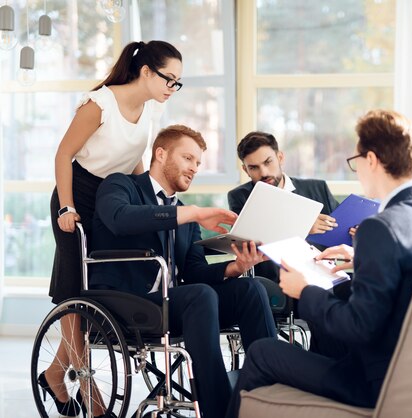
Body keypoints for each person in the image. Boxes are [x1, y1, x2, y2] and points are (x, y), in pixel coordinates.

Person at [225, 109, 412, 417]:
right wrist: (361, 259)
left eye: (355, 161)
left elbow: (358, 327)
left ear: (371, 160)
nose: (356, 170)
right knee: (338, 297)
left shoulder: (381, 227)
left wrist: (305, 290)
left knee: (262, 352)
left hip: (377, 382)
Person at [90, 124, 277, 417]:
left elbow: (195, 272)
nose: (194, 168)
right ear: (161, 154)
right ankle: (218, 411)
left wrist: (236, 267)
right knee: (200, 297)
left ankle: (270, 396)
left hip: (171, 305)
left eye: (198, 163)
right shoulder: (121, 186)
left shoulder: (186, 213)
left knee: (251, 289)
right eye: (188, 158)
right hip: (123, 303)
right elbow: (120, 219)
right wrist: (192, 214)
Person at [42, 40, 183, 418]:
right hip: (76, 198)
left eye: (177, 83)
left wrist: (146, 200)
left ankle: (56, 375)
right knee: (77, 291)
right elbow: (63, 154)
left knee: (96, 292)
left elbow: (134, 160)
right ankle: (93, 399)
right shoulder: (100, 104)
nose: (173, 88)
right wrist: (68, 207)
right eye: (170, 79)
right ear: (147, 72)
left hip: (109, 202)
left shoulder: (147, 110)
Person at [227, 131, 340, 281]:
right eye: (254, 167)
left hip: (322, 277)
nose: (264, 172)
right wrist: (303, 226)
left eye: (268, 162)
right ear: (245, 170)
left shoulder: (318, 188)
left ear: (280, 157)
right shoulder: (240, 197)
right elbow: (251, 244)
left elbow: (340, 229)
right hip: (274, 282)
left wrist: (356, 229)